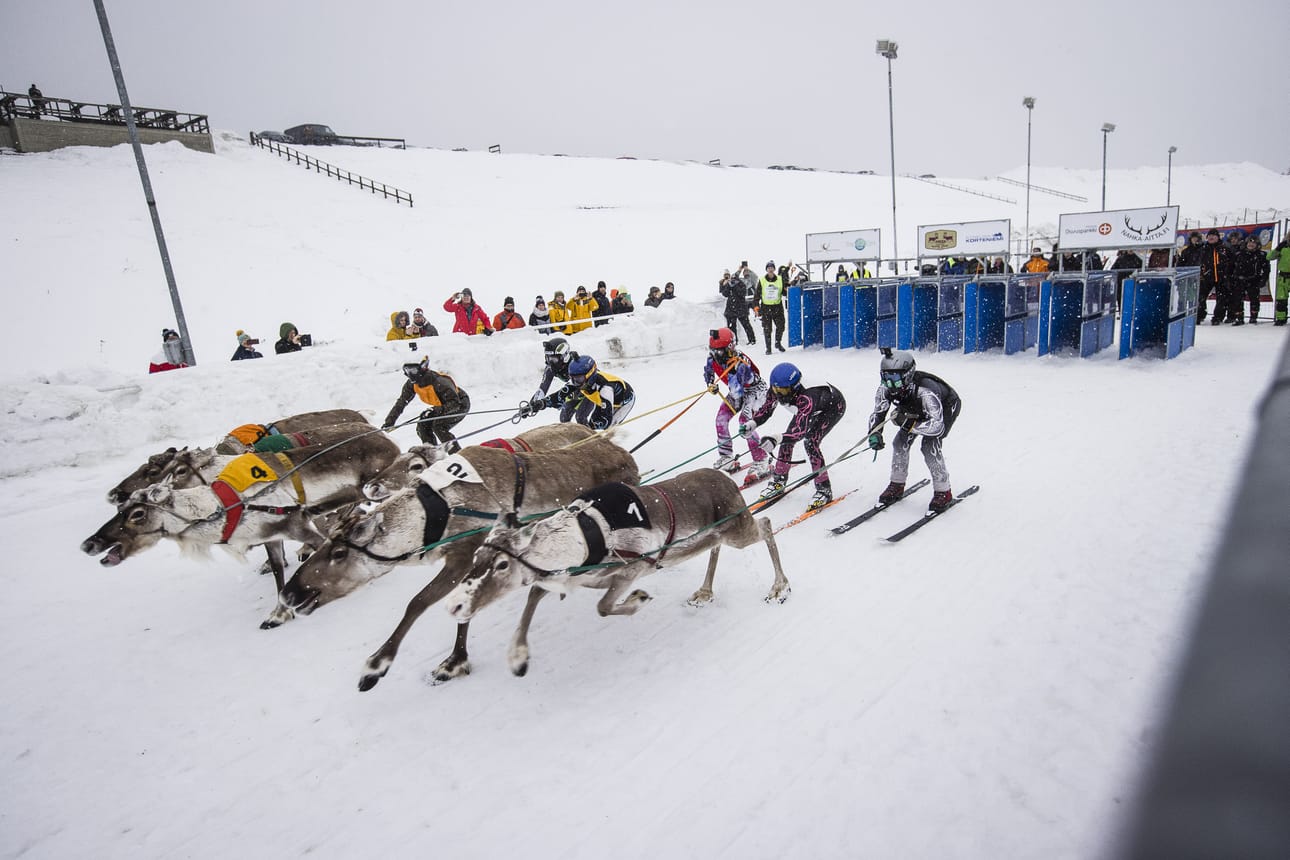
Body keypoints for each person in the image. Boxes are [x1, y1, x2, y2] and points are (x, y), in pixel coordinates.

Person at [866, 350, 961, 513]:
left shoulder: (926, 390)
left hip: (944, 408)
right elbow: (878, 413)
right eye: (885, 378)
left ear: (908, 375)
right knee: (900, 442)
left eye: (894, 379)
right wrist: (875, 433)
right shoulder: (886, 388)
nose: (890, 385)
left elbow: (936, 426)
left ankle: (943, 491)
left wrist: (909, 423)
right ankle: (897, 484)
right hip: (913, 408)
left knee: (929, 446)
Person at [746, 362, 846, 511]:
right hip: (807, 410)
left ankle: (824, 489)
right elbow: (767, 409)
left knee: (811, 442)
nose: (779, 394)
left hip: (831, 408)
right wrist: (753, 423)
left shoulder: (807, 398)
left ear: (795, 387)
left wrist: (776, 438)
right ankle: (779, 481)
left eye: (784, 390)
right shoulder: (778, 389)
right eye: (776, 389)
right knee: (786, 442)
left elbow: (799, 432)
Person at [704, 328, 770, 479]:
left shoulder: (740, 363)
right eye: (713, 350)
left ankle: (761, 460)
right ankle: (727, 456)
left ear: (730, 348)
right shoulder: (712, 358)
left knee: (745, 423)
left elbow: (737, 389)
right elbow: (708, 371)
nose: (716, 355)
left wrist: (727, 377)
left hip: (754, 392)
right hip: (737, 391)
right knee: (721, 419)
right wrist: (710, 384)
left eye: (719, 351)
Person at [381, 356, 470, 450]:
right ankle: (432, 454)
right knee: (422, 425)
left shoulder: (440, 382)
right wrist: (389, 422)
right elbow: (401, 402)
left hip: (459, 404)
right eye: (407, 370)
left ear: (423, 368)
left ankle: (456, 454)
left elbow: (454, 404)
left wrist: (435, 410)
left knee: (439, 426)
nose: (410, 374)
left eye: (413, 370)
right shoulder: (412, 384)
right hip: (442, 406)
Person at [524, 354, 634, 430]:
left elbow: (606, 420)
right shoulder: (579, 382)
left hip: (623, 402)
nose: (575, 383)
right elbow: (558, 397)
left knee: (608, 430)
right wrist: (541, 404)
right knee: (590, 429)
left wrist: (592, 427)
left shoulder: (605, 389)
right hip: (602, 401)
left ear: (590, 374)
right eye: (572, 379)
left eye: (579, 379)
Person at [527, 335, 579, 409]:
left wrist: (544, 403)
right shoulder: (550, 368)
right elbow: (543, 388)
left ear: (564, 356)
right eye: (548, 358)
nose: (551, 363)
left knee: (576, 414)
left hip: (589, 388)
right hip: (575, 389)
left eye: (554, 359)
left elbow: (566, 391)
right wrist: (531, 405)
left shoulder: (575, 364)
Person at [1199, 229, 1235, 324]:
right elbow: (1199, 262)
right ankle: (1200, 315)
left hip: (1222, 277)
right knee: (1200, 297)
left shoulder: (1224, 247)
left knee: (1221, 299)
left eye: (1214, 235)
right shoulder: (1203, 248)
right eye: (1209, 235)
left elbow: (1232, 261)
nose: (1211, 237)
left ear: (1218, 237)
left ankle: (1218, 317)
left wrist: (1228, 273)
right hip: (1207, 277)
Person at [1232, 236, 1271, 325]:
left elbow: (1266, 269)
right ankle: (1239, 318)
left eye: (1253, 243)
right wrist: (1231, 279)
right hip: (1239, 280)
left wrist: (1263, 279)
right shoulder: (1239, 254)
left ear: (1257, 245)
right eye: (1249, 242)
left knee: (1254, 300)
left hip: (1254, 280)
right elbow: (1231, 267)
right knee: (1237, 300)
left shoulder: (1261, 255)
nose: (1251, 244)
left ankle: (1253, 317)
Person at [757, 260, 787, 355]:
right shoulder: (762, 280)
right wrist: (756, 307)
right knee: (767, 329)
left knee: (781, 326)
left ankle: (778, 343)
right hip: (766, 308)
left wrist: (788, 290)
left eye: (772, 267)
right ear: (766, 269)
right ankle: (768, 348)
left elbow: (783, 291)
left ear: (774, 269)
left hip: (777, 307)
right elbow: (757, 295)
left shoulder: (779, 279)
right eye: (768, 268)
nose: (770, 269)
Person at [719, 270, 756, 346]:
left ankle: (752, 339)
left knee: (746, 324)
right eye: (725, 275)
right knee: (732, 327)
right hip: (731, 308)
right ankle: (734, 341)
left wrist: (735, 286)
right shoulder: (727, 284)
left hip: (741, 307)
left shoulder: (740, 283)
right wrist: (728, 285)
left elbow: (742, 293)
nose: (732, 280)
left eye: (734, 278)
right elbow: (724, 294)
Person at [1267, 235, 1290, 326]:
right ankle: (1281, 319)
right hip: (1283, 277)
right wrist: (1278, 248)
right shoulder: (1283, 248)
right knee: (1281, 300)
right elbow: (1269, 257)